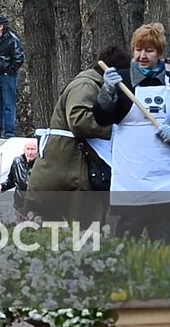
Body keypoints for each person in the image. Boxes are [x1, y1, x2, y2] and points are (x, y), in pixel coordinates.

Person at [94, 23, 170, 247]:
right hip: (132, 176)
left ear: (159, 53)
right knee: (127, 240)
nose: (142, 56)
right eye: (138, 49)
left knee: (167, 241)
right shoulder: (122, 82)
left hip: (165, 177)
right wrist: (106, 92)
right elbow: (101, 118)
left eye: (149, 50)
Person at [25, 47, 126, 226]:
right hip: (65, 176)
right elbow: (79, 121)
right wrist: (116, 131)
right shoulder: (85, 85)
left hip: (68, 174)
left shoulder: (90, 84)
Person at [0, 139, 38, 219]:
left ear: (38, 151)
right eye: (28, 149)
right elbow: (11, 181)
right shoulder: (17, 162)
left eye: (33, 149)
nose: (30, 152)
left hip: (36, 207)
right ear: (24, 150)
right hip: (20, 205)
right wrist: (2, 186)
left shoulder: (41, 164)